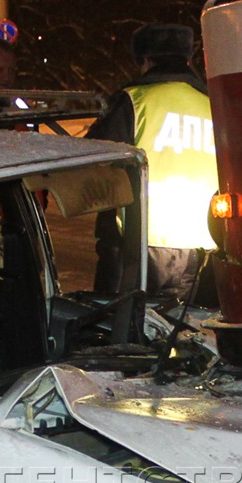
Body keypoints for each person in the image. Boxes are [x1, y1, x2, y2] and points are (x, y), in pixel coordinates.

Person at [88, 24, 218, 304]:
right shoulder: (213, 104)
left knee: (128, 332)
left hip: (136, 243)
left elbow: (94, 160)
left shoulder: (133, 100)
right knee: (186, 334)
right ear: (188, 59)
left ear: (145, 60)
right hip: (201, 250)